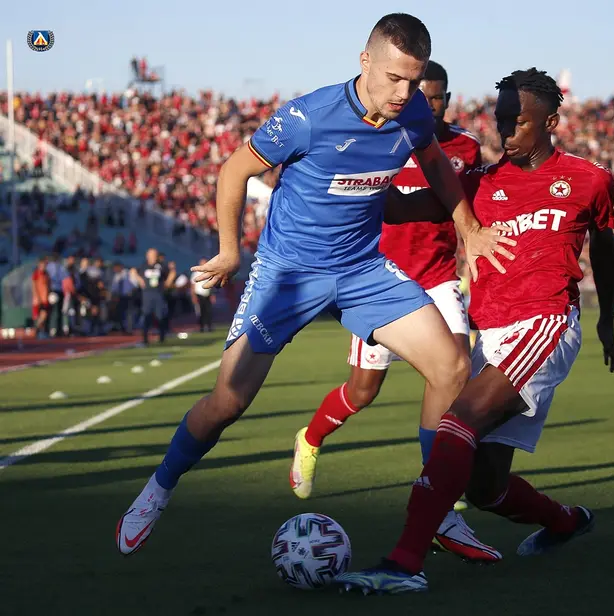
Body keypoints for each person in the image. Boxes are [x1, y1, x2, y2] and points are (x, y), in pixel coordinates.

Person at [115, 13, 514, 556]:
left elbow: (436, 164)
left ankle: (437, 508)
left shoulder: (415, 112)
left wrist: (468, 227)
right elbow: (233, 170)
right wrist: (230, 250)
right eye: (395, 78)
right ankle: (158, 488)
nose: (405, 93)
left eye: (415, 80)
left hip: (363, 269)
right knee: (228, 402)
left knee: (452, 367)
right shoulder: (307, 117)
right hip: (288, 274)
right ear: (365, 61)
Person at [336, 67, 614, 594]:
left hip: (545, 323)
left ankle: (403, 564)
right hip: (490, 333)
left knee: (456, 424)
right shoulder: (479, 182)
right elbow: (407, 206)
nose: (506, 129)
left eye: (519, 121)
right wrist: (350, 181)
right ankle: (565, 522)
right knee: (484, 485)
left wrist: (606, 317)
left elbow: (605, 244)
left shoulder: (589, 178)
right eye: (501, 119)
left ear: (550, 122)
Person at [289, 59, 499, 562]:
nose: (431, 104)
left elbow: (468, 208)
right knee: (364, 390)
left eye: (439, 96)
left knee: (454, 370)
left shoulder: (465, 148)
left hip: (439, 277)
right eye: (424, 95)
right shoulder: (379, 137)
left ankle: (435, 490)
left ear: (448, 99)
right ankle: (310, 438)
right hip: (380, 280)